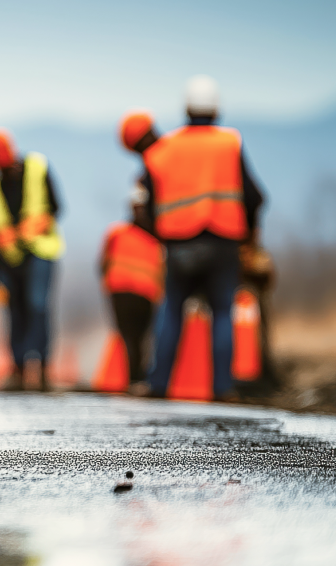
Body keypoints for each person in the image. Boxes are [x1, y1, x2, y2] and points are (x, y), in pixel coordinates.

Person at [140, 75, 265, 401]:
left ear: (186, 108)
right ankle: (223, 388)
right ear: (216, 109)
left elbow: (148, 201)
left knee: (171, 310)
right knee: (222, 312)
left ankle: (158, 384)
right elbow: (254, 197)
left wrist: (162, 233)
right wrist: (251, 237)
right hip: (223, 240)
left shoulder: (165, 148)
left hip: (179, 242)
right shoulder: (229, 143)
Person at [0, 128, 64, 391]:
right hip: (10, 261)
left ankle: (42, 366)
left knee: (38, 305)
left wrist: (36, 225)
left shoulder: (37, 167)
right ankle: (18, 368)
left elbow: (56, 207)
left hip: (41, 251)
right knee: (15, 311)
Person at [103, 111, 166, 395]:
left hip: (121, 289)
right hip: (145, 289)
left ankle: (138, 379)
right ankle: (152, 378)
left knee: (131, 337)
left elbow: (102, 264)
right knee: (145, 334)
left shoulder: (117, 231)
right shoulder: (153, 240)